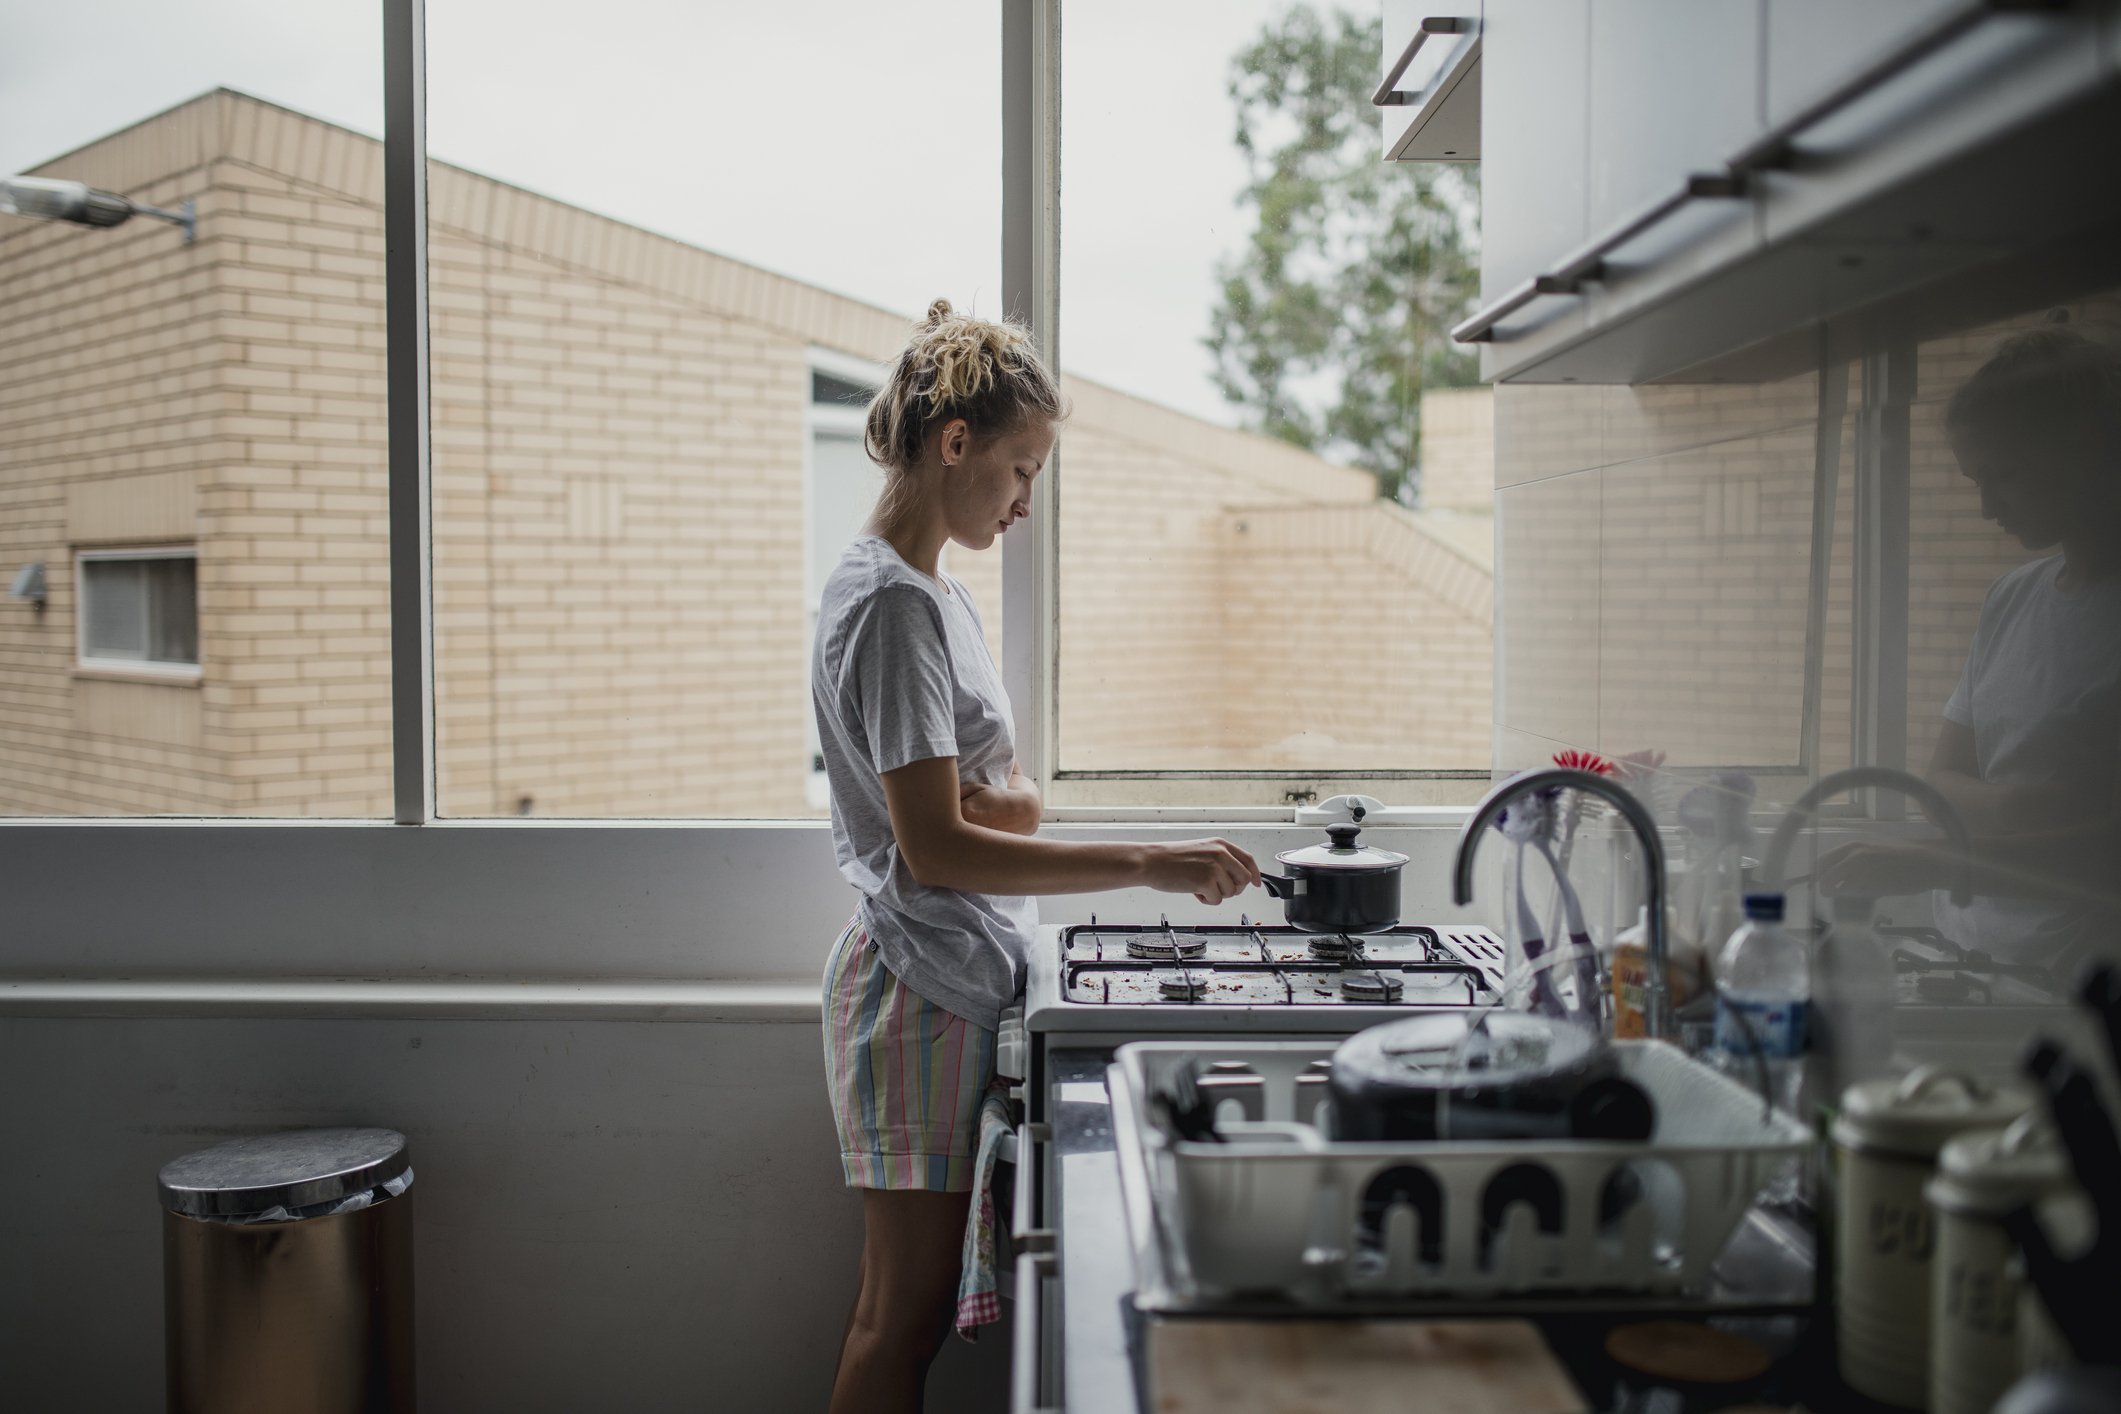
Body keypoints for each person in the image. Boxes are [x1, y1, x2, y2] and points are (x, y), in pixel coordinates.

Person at [813, 300, 1260, 1413]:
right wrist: (1150, 860)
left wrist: (1001, 806)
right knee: (895, 1322)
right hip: (916, 986)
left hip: (945, 976)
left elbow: (994, 801)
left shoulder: (931, 595)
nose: (1024, 500)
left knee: (899, 1315)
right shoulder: (892, 609)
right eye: (1020, 469)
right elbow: (939, 844)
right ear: (953, 441)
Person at [1819, 326, 2121, 974]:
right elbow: (1937, 783)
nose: (1985, 508)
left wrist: (1937, 856)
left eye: (2003, 476)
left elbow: (2103, 855)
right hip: (1968, 957)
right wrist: (2020, 807)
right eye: (1973, 479)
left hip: (2080, 979)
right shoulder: (2010, 598)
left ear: (2083, 451)